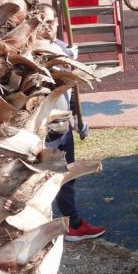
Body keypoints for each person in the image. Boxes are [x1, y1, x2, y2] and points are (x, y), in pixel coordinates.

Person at [46, 41, 105, 241]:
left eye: (51, 21)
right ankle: (43, 227)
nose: (47, 25)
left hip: (64, 128)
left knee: (67, 178)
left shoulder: (64, 49)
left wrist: (78, 118)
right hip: (44, 130)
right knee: (43, 181)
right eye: (44, 19)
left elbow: (69, 91)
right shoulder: (39, 51)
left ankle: (73, 224)